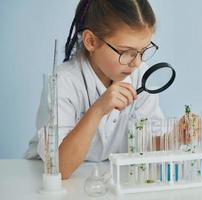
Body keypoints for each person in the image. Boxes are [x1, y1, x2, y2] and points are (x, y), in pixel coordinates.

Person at [25, 0, 164, 179]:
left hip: (107, 176)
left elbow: (149, 144)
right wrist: (98, 110)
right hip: (47, 180)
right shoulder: (64, 82)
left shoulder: (140, 74)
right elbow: (60, 169)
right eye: (125, 51)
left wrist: (178, 137)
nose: (136, 62)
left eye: (143, 51)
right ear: (91, 41)